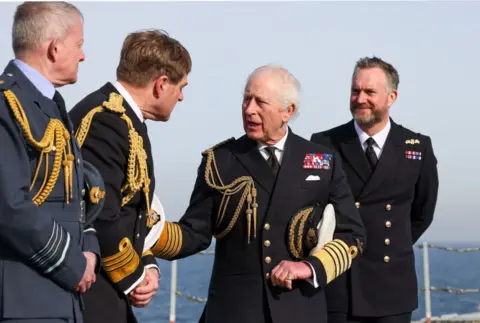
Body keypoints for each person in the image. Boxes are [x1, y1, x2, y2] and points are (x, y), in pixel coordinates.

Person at [145, 65, 366, 323]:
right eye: (246, 99)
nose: (249, 109)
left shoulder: (322, 161)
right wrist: (148, 231)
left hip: (299, 312)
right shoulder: (220, 162)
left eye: (260, 102)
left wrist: (309, 267)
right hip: (234, 311)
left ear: (288, 111)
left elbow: (353, 235)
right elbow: (194, 233)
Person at [68, 29, 191, 323]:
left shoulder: (123, 117)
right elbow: (100, 211)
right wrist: (133, 277)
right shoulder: (107, 120)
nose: (182, 97)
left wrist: (145, 262)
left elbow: (130, 211)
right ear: (161, 84)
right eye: (181, 86)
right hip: (91, 287)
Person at [310, 56, 439, 323]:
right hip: (340, 284)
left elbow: (421, 214)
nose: (360, 98)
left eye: (370, 92)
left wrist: (390, 245)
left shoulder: (416, 147)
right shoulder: (324, 144)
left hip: (392, 288)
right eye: (355, 90)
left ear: (392, 96)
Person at [0, 2, 103, 323]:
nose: (83, 56)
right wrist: (73, 264)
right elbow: (9, 205)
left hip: (60, 298)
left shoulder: (49, 103)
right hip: (24, 301)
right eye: (80, 45)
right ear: (55, 49)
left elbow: (74, 196)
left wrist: (89, 250)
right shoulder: (8, 104)